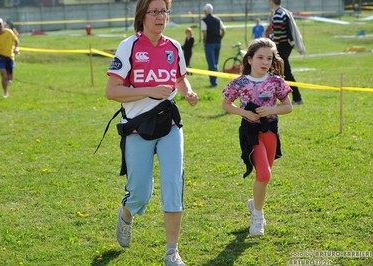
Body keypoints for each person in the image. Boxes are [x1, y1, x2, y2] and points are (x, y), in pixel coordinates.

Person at [105, 0, 198, 265]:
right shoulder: (129, 46)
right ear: (143, 16)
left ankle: (172, 252)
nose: (160, 16)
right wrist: (148, 90)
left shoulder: (174, 46)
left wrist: (187, 92)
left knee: (173, 183)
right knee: (139, 193)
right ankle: (126, 214)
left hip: (169, 125)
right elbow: (112, 91)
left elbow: (179, 78)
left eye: (164, 11)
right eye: (154, 11)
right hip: (137, 128)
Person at [221, 38, 292, 236]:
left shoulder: (277, 82)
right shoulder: (239, 82)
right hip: (250, 132)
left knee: (265, 176)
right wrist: (244, 113)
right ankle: (258, 216)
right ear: (250, 59)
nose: (265, 62)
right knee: (264, 174)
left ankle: (254, 203)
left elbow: (288, 107)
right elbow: (226, 105)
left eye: (269, 58)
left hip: (270, 130)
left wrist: (270, 109)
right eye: (260, 57)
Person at [269, 0, 303, 105]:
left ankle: (297, 98)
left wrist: (272, 47)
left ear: (271, 2)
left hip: (281, 47)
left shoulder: (278, 15)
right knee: (273, 72)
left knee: (286, 73)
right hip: (285, 46)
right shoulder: (283, 12)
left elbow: (277, 35)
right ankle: (270, 98)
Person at [0, 18, 19, 98]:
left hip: (10, 56)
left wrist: (16, 48)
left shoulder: (9, 32)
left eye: (0, 24)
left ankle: (9, 80)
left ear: (3, 24)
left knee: (10, 76)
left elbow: (16, 41)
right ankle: (5, 92)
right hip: (0, 57)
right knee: (3, 74)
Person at [201, 3, 226, 88]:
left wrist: (204, 42)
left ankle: (213, 82)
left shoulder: (204, 20)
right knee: (216, 62)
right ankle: (216, 80)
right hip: (218, 43)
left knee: (211, 63)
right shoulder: (218, 19)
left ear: (205, 11)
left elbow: (205, 33)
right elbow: (224, 31)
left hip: (209, 43)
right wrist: (219, 39)